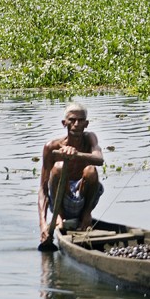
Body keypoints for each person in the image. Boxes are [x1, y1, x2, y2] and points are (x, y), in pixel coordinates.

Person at [39, 102, 104, 244]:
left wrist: (76, 154)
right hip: (61, 200)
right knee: (59, 168)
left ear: (86, 124)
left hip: (84, 198)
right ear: (64, 123)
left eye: (80, 121)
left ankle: (86, 215)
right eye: (72, 120)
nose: (76, 124)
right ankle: (59, 217)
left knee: (91, 170)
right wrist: (43, 224)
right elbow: (43, 190)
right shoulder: (51, 147)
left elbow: (99, 159)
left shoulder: (90, 138)